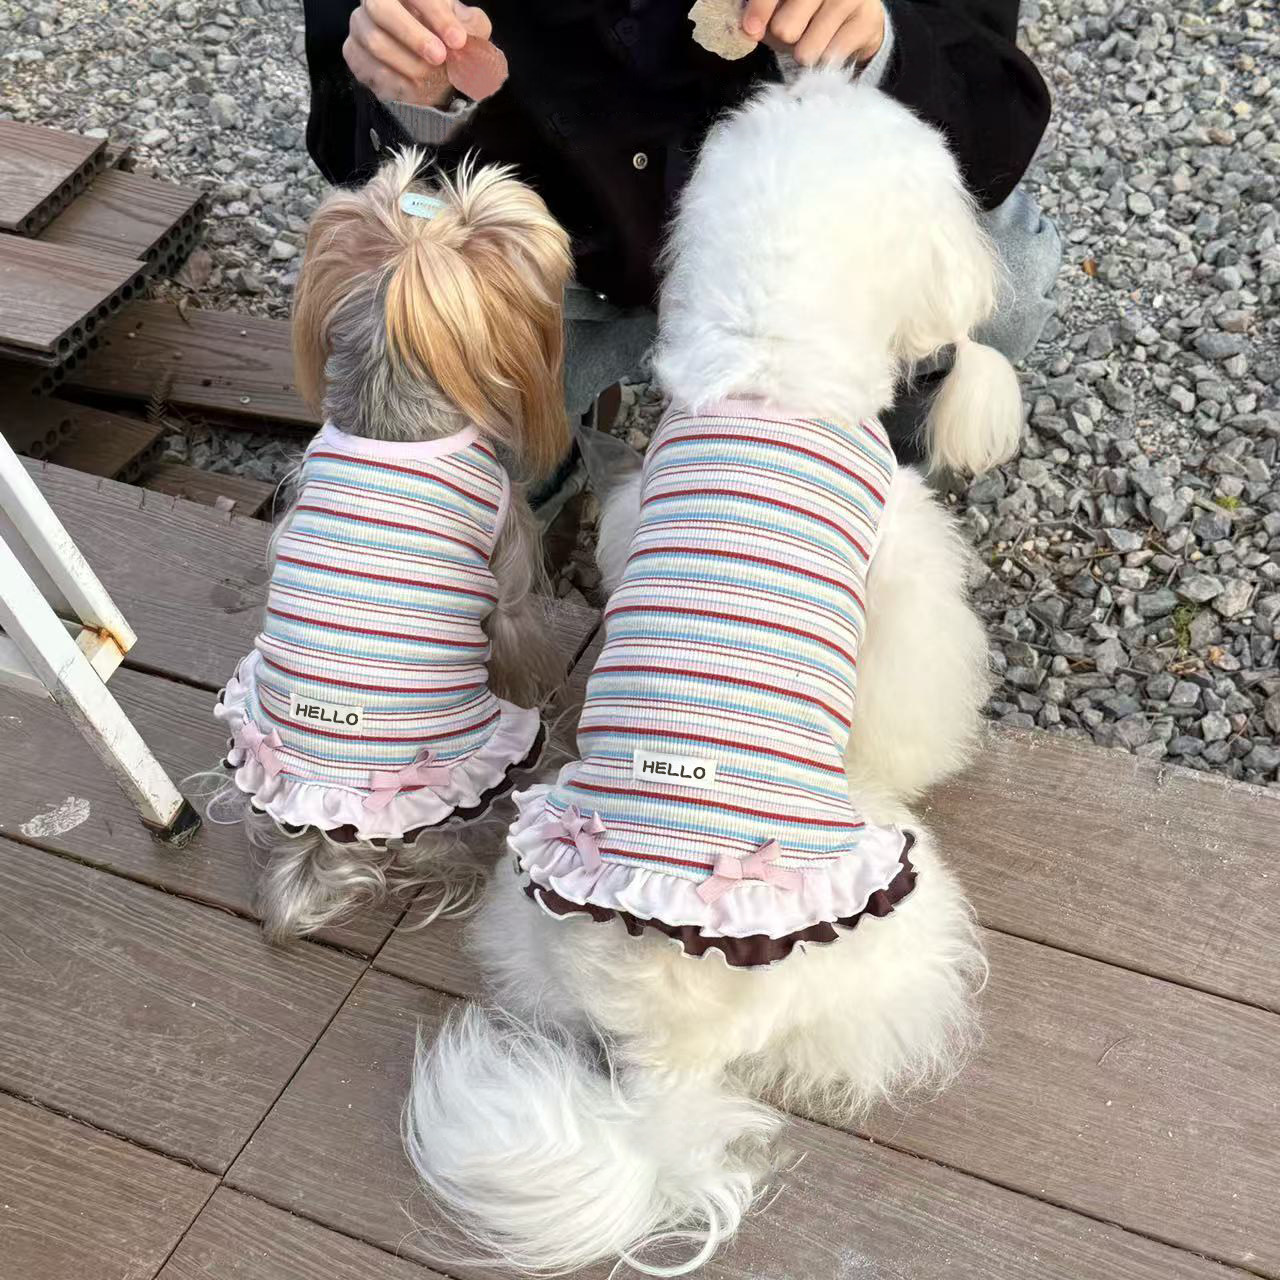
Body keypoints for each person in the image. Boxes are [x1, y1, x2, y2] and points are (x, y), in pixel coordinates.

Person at [301, 0, 1060, 463]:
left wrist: (879, 38)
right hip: (552, 228)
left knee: (1009, 280)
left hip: (786, 226)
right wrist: (411, 89)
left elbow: (984, 67)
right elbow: (350, 137)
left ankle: (884, 447)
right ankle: (540, 461)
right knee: (441, 452)